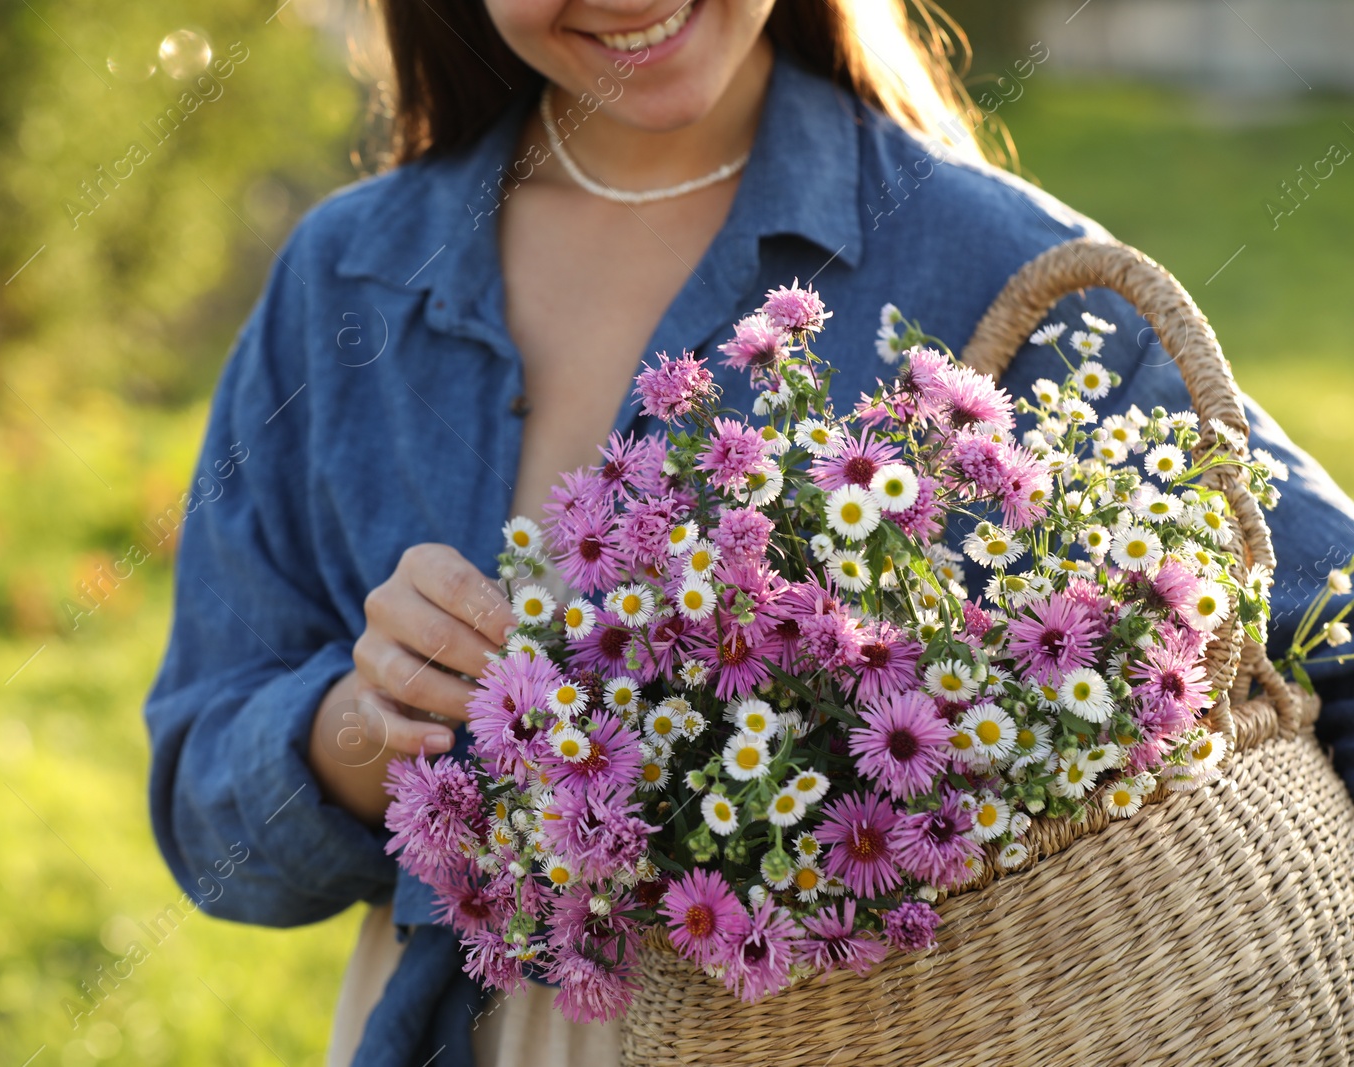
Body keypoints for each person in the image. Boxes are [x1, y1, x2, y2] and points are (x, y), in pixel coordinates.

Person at [142, 2, 1354, 1065]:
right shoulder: (345, 280)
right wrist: (367, 723)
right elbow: (210, 824)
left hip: (894, 1026)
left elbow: (1329, 622)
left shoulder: (998, 264)